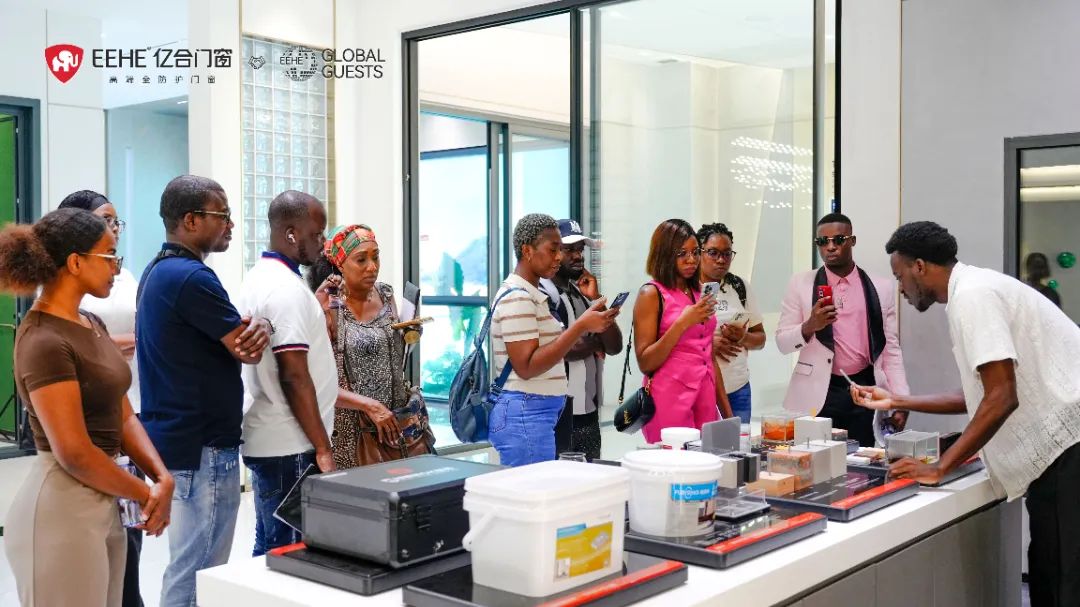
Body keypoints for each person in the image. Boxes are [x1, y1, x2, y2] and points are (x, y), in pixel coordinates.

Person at [853, 221, 1080, 607]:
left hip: (1068, 450)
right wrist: (895, 401)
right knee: (1048, 571)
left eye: (900, 276)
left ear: (919, 266)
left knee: (1064, 582)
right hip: (1061, 454)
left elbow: (1002, 397)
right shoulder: (972, 288)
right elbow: (978, 395)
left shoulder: (973, 297)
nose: (900, 289)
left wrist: (940, 467)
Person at [1, 208, 173, 607]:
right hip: (62, 506)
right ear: (76, 262)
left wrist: (160, 476)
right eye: (109, 255)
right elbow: (74, 452)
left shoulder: (90, 322)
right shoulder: (43, 340)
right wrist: (146, 494)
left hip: (105, 494)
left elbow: (121, 411)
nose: (117, 267)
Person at [137, 175, 271, 607]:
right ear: (191, 220)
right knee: (199, 571)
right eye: (222, 215)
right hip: (203, 447)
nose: (230, 224)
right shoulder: (192, 278)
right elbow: (247, 348)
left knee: (188, 565)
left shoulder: (158, 271)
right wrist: (263, 325)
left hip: (179, 441)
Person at [57, 190, 146, 607]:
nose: (114, 228)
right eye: (104, 220)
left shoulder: (123, 275)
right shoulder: (61, 284)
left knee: (129, 543)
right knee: (93, 550)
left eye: (116, 221)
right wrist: (111, 347)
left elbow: (145, 330)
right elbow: (72, 343)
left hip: (129, 408)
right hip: (86, 424)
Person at [237, 191, 338, 557]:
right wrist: (323, 448)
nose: (323, 243)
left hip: (276, 439)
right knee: (288, 555)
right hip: (291, 446)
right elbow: (294, 376)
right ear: (292, 233)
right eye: (317, 234)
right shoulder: (284, 289)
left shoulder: (261, 277)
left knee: (269, 549)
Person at [488, 213, 618, 466]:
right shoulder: (518, 297)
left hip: (535, 411)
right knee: (533, 488)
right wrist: (580, 326)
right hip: (526, 411)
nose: (559, 257)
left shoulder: (530, 294)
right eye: (553, 249)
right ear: (527, 251)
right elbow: (526, 367)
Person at [775, 213, 909, 446]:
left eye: (838, 240)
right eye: (822, 241)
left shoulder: (881, 287)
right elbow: (782, 343)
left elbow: (890, 349)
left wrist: (901, 399)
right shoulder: (800, 284)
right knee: (814, 458)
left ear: (852, 241)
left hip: (864, 387)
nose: (830, 247)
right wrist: (809, 326)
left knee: (863, 459)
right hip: (818, 390)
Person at [306, 224, 423, 469]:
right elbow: (317, 385)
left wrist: (409, 334)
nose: (372, 267)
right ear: (340, 264)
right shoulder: (329, 305)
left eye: (375, 257)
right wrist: (369, 405)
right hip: (351, 435)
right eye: (361, 260)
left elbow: (389, 357)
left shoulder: (385, 294)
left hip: (396, 429)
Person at [634, 219, 733, 444]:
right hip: (669, 397)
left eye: (695, 252)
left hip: (705, 397)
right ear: (664, 255)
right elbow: (645, 362)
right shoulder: (651, 294)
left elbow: (709, 356)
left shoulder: (699, 293)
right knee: (674, 462)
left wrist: (728, 414)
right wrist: (682, 323)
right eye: (682, 253)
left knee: (709, 460)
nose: (691, 259)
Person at [539, 219, 622, 461]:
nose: (577, 256)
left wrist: (597, 301)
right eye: (569, 250)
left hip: (588, 412)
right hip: (559, 413)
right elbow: (565, 349)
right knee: (562, 477)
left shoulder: (581, 293)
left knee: (591, 475)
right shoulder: (543, 294)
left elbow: (614, 346)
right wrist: (595, 344)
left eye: (580, 249)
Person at [697, 222, 766, 424]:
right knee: (701, 443)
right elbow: (675, 340)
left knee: (737, 442)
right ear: (699, 252)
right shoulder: (686, 290)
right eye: (713, 253)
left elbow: (760, 339)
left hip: (738, 388)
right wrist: (708, 344)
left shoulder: (740, 287)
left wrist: (743, 337)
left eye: (727, 254)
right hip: (700, 388)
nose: (721, 260)